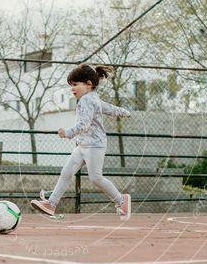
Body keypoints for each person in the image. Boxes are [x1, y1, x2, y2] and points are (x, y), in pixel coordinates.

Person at [30, 64, 132, 220]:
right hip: (84, 145)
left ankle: (121, 200)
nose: (72, 89)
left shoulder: (87, 100)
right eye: (71, 85)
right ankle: (51, 203)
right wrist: (124, 112)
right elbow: (108, 108)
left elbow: (84, 124)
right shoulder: (92, 98)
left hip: (94, 146)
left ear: (89, 84)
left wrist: (68, 133)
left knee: (96, 178)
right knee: (66, 173)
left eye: (76, 85)